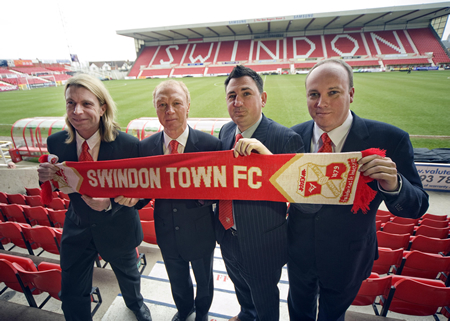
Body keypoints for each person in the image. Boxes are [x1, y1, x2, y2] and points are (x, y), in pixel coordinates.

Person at [287, 58, 429, 321]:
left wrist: (395, 185)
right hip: (299, 255)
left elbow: (417, 206)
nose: (321, 103)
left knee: (332, 316)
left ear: (351, 94)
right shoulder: (291, 137)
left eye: (333, 92)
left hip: (348, 258)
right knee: (298, 313)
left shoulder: (390, 139)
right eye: (314, 94)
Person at [37, 74, 151, 321]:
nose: (77, 111)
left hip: (119, 227)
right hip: (77, 227)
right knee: (71, 293)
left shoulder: (129, 145)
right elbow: (54, 183)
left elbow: (142, 196)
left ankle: (136, 305)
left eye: (86, 103)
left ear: (102, 108)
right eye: (70, 103)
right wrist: (45, 175)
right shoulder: (56, 142)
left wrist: (109, 203)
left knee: (130, 278)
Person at [121, 80, 221, 321]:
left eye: (176, 103)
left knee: (204, 281)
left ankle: (202, 315)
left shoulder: (211, 145)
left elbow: (220, 191)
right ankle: (185, 310)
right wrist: (133, 200)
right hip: (166, 230)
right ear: (155, 109)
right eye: (162, 104)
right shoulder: (145, 147)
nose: (170, 111)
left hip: (200, 230)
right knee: (177, 281)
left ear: (188, 106)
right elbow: (143, 192)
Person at [215, 65, 304, 321]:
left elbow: (299, 196)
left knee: (265, 300)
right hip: (227, 234)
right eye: (232, 96)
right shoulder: (226, 131)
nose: (238, 102)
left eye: (246, 93)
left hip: (262, 244)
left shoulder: (286, 139)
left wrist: (269, 161)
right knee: (241, 290)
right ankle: (245, 314)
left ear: (263, 98)